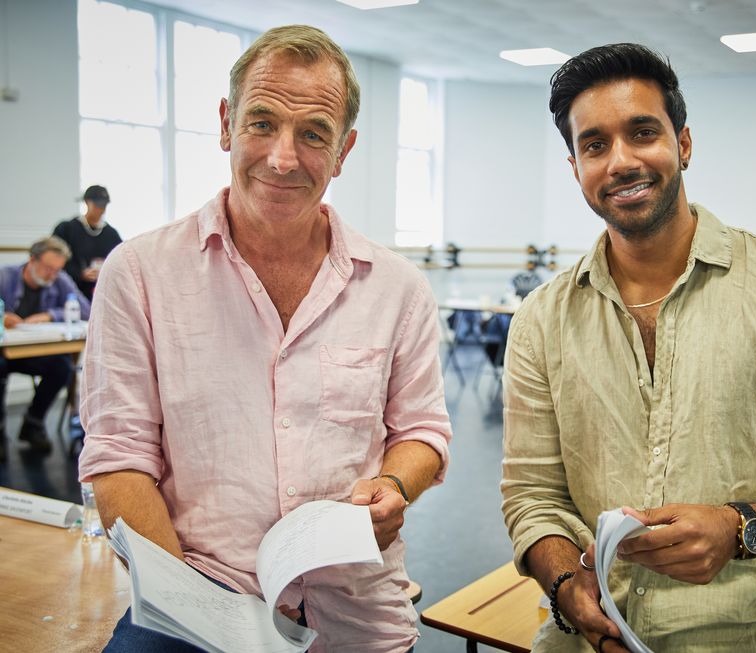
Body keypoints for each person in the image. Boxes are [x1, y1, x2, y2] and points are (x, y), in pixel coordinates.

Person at [500, 43, 756, 652]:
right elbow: (532, 495)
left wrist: (742, 528)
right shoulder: (540, 319)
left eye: (643, 132)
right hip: (590, 641)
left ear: (683, 143)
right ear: (575, 166)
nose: (621, 161)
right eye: (595, 145)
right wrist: (564, 582)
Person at [78, 25, 451, 653]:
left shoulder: (397, 288)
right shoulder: (140, 275)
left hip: (355, 609)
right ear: (226, 124)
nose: (283, 157)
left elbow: (422, 431)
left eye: (313, 134)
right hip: (198, 592)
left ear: (343, 150)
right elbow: (119, 461)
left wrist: (397, 485)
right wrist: (195, 614)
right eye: (261, 123)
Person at [0, 236, 90, 461]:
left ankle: (33, 423)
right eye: (48, 268)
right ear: (32, 259)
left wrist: (49, 315)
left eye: (57, 270)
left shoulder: (59, 280)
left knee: (62, 366)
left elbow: (86, 309)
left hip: (35, 351)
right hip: (5, 351)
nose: (52, 275)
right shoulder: (5, 277)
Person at [53, 185, 123, 301]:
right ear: (87, 202)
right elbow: (55, 260)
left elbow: (119, 262)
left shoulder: (111, 234)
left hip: (101, 295)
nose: (101, 209)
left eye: (104, 205)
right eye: (97, 205)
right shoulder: (66, 229)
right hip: (70, 295)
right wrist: (79, 273)